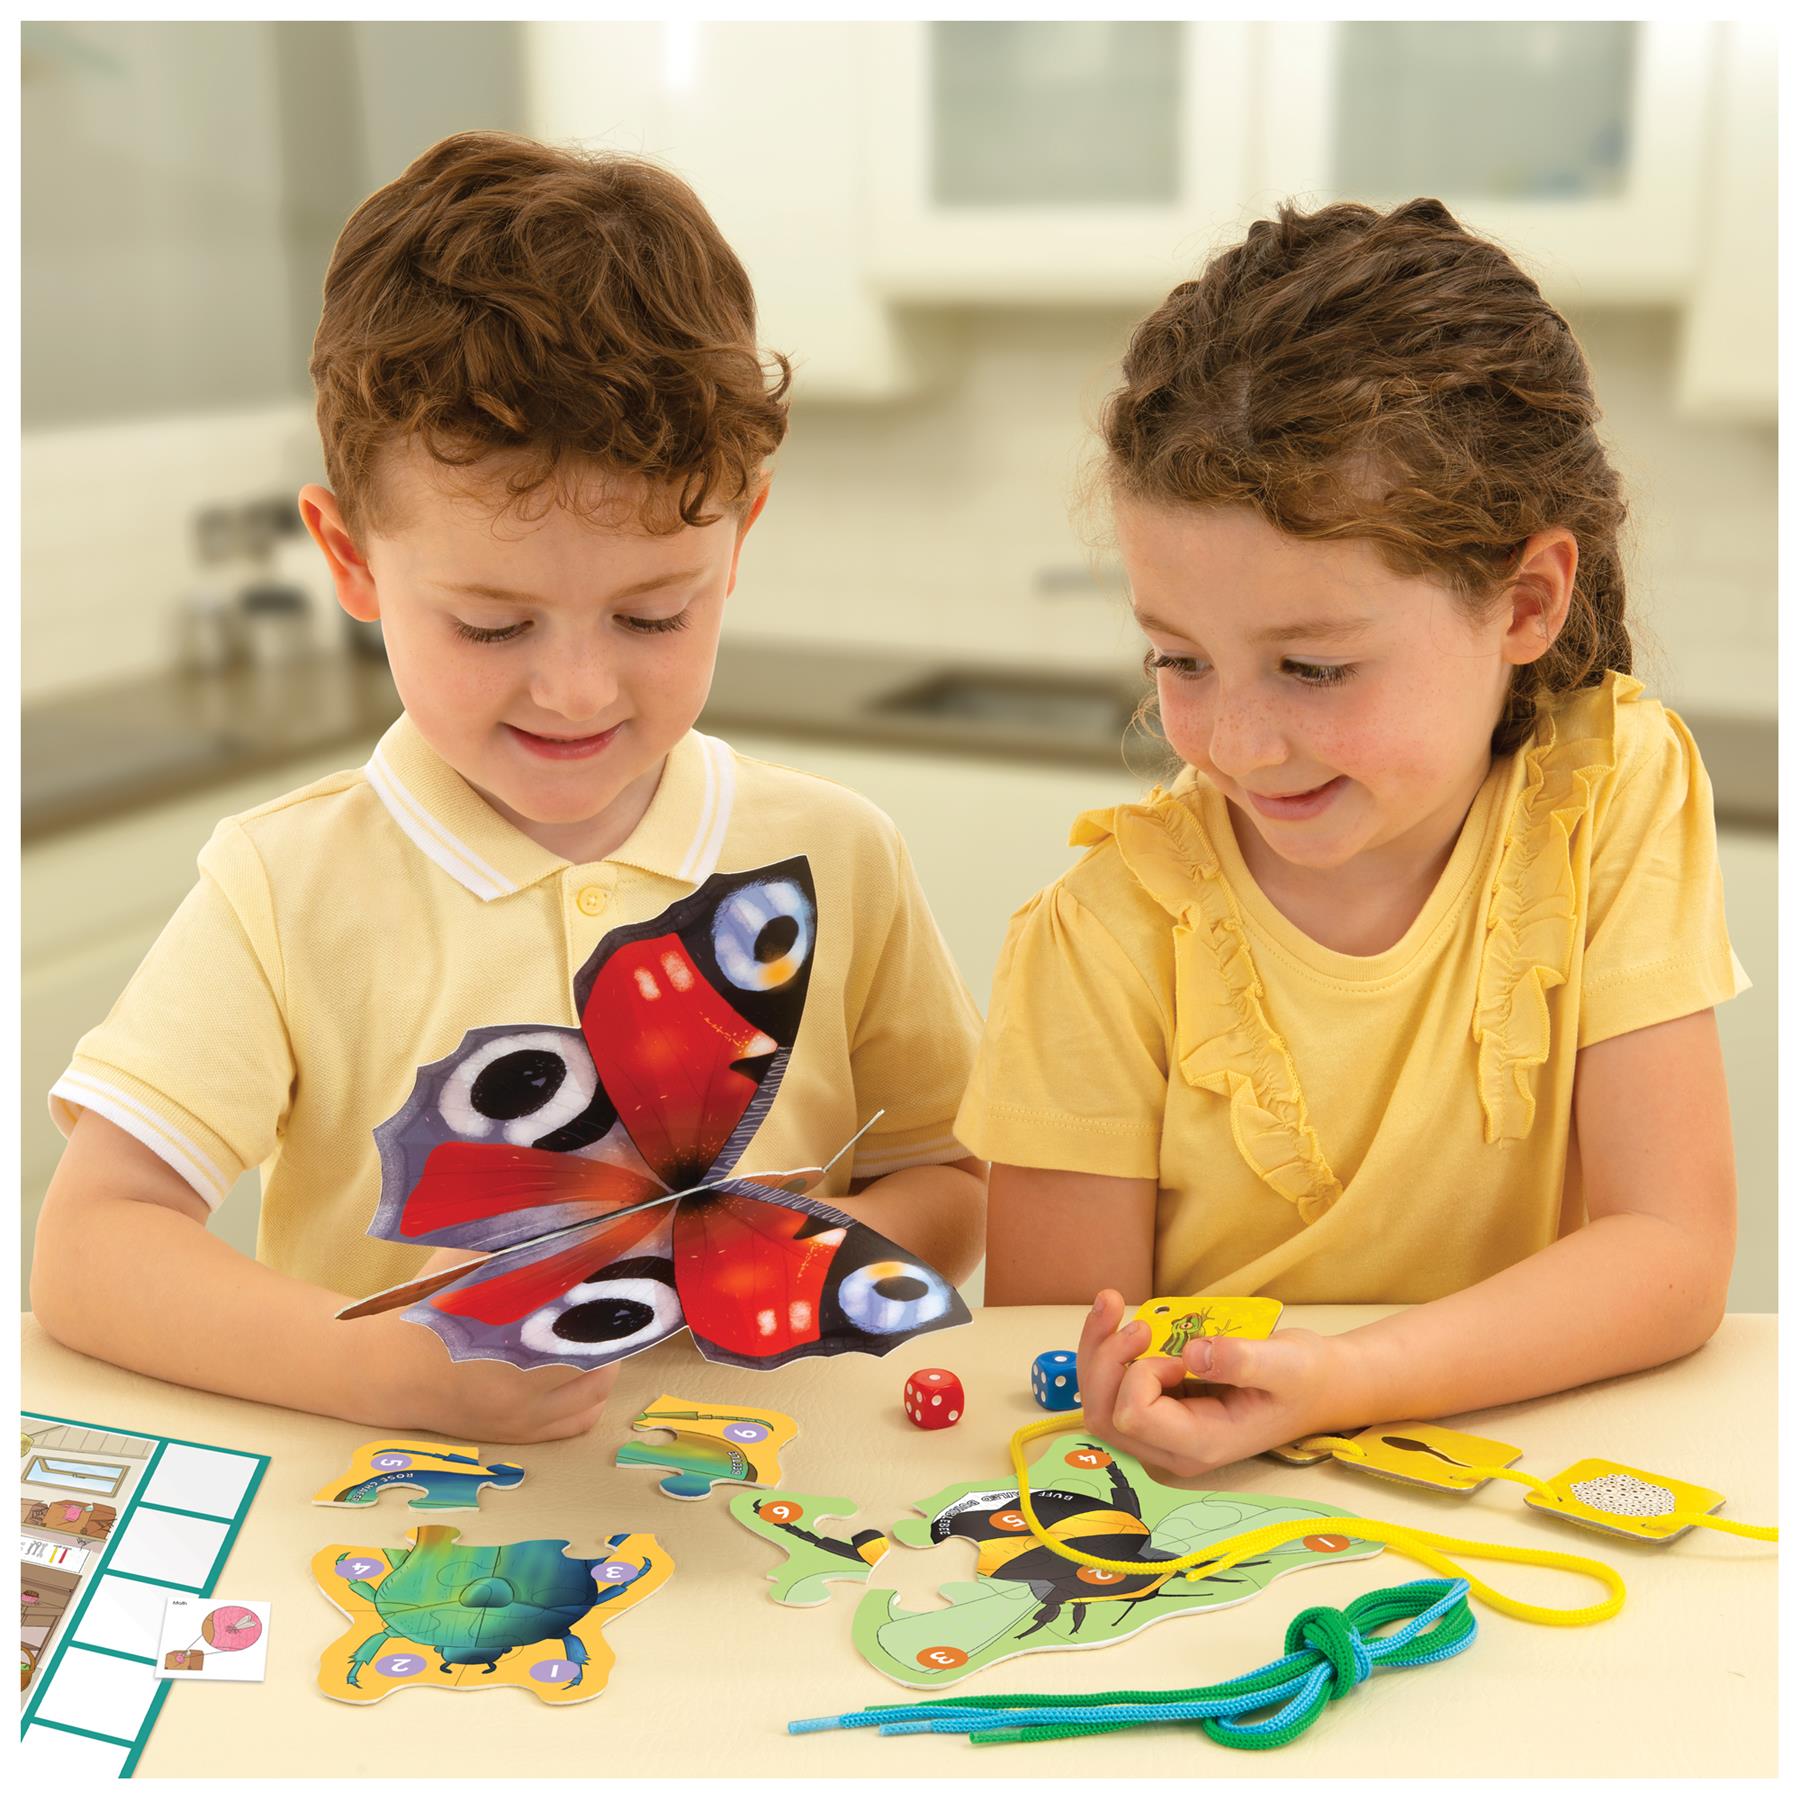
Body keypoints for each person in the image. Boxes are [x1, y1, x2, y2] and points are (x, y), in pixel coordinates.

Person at [32, 132, 986, 1441]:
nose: (578, 692)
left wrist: (760, 1271)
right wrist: (389, 1371)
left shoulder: (837, 854)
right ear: (349, 560)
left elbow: (952, 1175)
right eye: (492, 625)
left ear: (739, 541)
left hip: (771, 1508)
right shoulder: (282, 888)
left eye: (653, 615)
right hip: (395, 1519)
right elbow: (90, 1249)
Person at [958, 197, 1746, 1477]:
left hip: (1515, 1474)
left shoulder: (1609, 791)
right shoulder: (1101, 939)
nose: (1237, 743)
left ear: (1527, 602)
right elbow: (1052, 1364)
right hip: (1221, 1505)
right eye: (1180, 659)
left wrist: (1345, 1383)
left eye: (1314, 667)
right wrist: (1144, 1397)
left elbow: (1672, 1254)